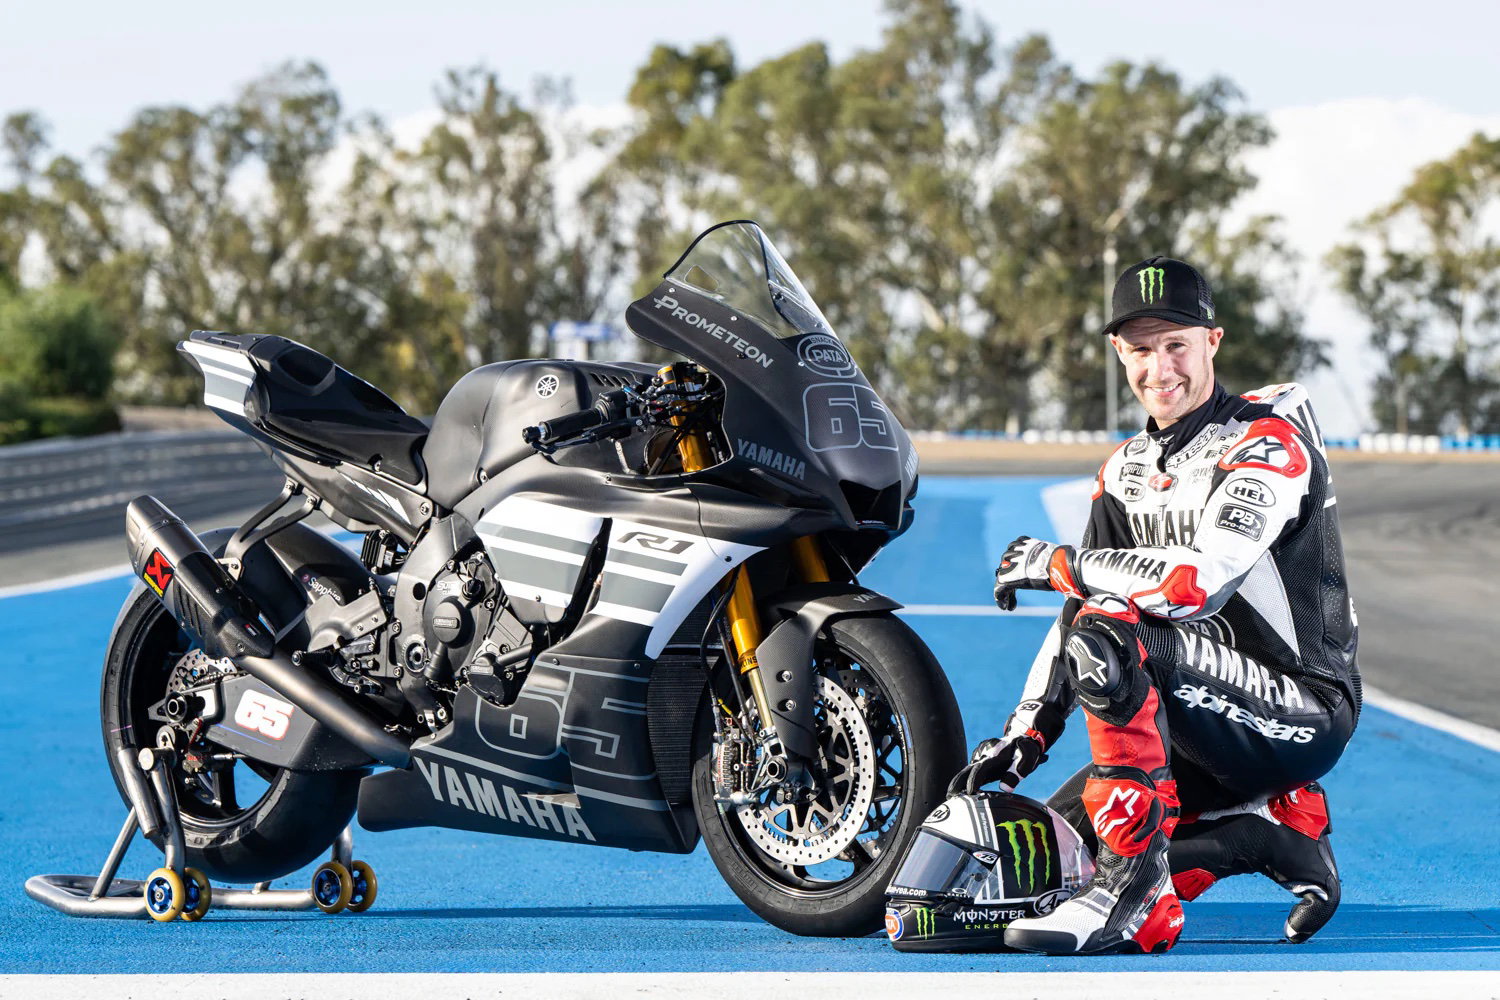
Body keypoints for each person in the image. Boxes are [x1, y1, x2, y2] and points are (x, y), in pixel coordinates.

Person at [949, 255, 1359, 955]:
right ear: (1119, 353)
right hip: (1191, 722)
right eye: (1141, 349)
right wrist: (1025, 738)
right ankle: (1268, 838)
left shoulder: (1267, 444)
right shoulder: (1125, 470)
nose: (1160, 368)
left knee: (1110, 635)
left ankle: (1132, 898)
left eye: (1177, 344)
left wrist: (1058, 562)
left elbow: (1195, 584)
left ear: (1212, 342)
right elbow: (1078, 609)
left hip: (1302, 710)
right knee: (1049, 860)